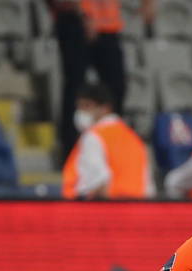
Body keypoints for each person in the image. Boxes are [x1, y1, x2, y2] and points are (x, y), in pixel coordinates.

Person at [51, 0, 154, 158]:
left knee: (116, 86)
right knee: (75, 86)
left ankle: (112, 142)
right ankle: (71, 149)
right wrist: (85, 15)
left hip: (108, 25)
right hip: (74, 19)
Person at [62, 82, 153, 199]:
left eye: (87, 106)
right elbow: (148, 185)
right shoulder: (134, 138)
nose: (81, 112)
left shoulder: (93, 137)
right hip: (138, 209)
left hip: (105, 210)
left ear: (105, 108)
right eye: (79, 107)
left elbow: (99, 183)